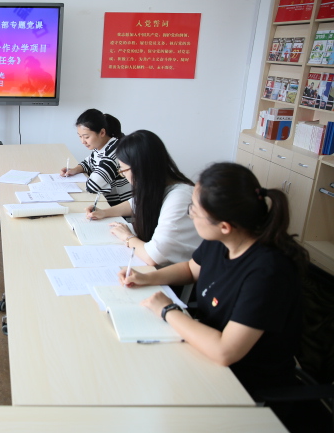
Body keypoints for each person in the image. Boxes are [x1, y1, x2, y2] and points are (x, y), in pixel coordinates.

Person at [121, 162, 307, 423]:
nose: (190, 215)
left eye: (194, 211)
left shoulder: (268, 273)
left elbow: (225, 351)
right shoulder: (222, 240)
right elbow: (191, 269)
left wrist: (168, 310)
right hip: (203, 349)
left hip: (242, 382)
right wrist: (148, 277)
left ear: (224, 225)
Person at [86, 130, 201, 267]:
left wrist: (127, 237)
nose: (124, 176)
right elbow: (135, 203)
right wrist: (105, 212)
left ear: (141, 168)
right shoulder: (158, 185)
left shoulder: (180, 197)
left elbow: (153, 256)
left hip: (173, 271)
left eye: (123, 171)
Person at [60, 109, 132, 206]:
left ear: (102, 132)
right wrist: (74, 170)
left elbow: (93, 186)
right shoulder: (103, 146)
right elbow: (88, 163)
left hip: (119, 204)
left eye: (86, 137)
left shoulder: (113, 153)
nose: (83, 141)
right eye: (80, 136)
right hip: (107, 200)